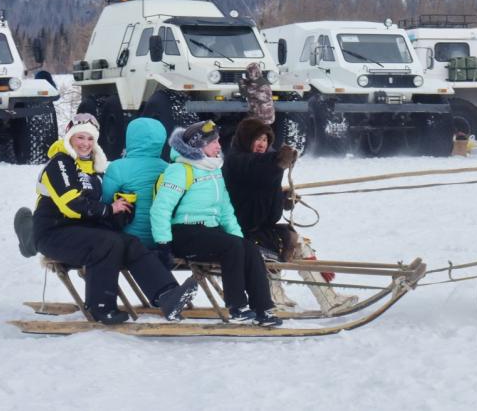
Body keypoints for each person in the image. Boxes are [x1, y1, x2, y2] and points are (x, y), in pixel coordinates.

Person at [25, 113, 198, 325]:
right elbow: (71, 204)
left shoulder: (96, 169)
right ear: (69, 137)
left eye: (90, 139)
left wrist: (122, 207)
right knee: (107, 243)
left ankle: (167, 294)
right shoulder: (61, 163)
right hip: (54, 232)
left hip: (83, 232)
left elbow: (102, 203)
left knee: (130, 243)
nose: (86, 144)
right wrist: (109, 209)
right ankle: (101, 307)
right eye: (80, 137)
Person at [151, 120, 283, 327]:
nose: (219, 146)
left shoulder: (213, 171)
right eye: (214, 142)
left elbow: (226, 211)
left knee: (249, 247)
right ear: (199, 145)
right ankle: (237, 307)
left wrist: (239, 238)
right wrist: (163, 243)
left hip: (209, 233)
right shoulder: (180, 170)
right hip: (183, 233)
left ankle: (262, 308)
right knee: (231, 246)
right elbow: (161, 209)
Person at [222, 117, 358, 313]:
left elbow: (261, 190)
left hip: (259, 228)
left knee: (298, 244)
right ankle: (277, 299)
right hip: (240, 232)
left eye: (265, 139)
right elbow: (256, 170)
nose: (262, 144)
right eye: (257, 139)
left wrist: (282, 198)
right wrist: (277, 161)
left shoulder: (260, 162)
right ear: (245, 139)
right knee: (270, 248)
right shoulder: (236, 161)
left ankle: (328, 300)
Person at [101, 117, 170, 262]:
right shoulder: (168, 168)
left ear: (131, 138)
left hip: (130, 240)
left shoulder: (118, 167)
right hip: (162, 240)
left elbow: (105, 202)